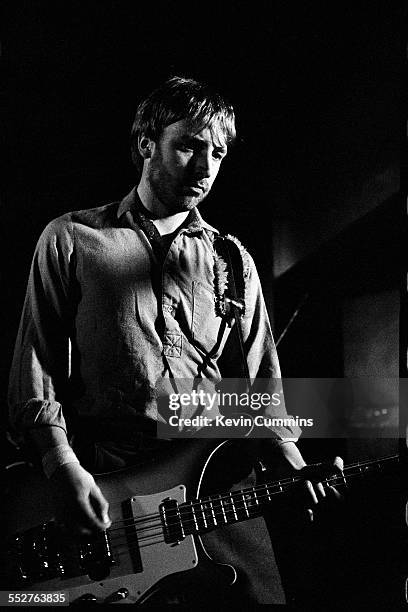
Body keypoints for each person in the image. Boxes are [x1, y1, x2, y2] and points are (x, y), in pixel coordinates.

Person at [8, 75, 342, 605]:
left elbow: (259, 389)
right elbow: (36, 362)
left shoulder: (233, 261)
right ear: (147, 144)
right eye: (189, 145)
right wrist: (60, 464)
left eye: (219, 152)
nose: (206, 168)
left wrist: (289, 460)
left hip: (217, 491)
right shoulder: (72, 238)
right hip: (107, 488)